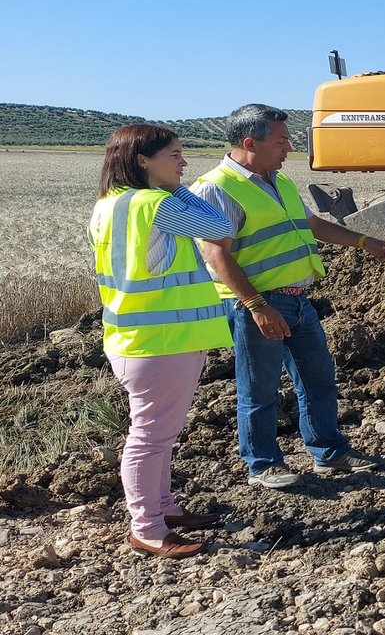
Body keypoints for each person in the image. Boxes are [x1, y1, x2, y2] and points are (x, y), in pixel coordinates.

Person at [192, 104, 385, 490]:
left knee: (319, 378)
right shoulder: (216, 187)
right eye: (282, 140)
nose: (289, 146)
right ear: (249, 142)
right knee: (259, 389)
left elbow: (312, 225)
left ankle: (329, 452)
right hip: (256, 304)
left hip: (297, 301)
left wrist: (364, 241)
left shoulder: (279, 181)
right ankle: (263, 464)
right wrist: (257, 306)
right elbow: (215, 254)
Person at [90, 125, 236, 558]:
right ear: (142, 160)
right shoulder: (155, 205)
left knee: (158, 435)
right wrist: (179, 190)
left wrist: (169, 183)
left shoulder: (109, 205)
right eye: (174, 155)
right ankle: (148, 528)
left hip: (132, 337)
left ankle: (165, 508)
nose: (183, 163)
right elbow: (220, 226)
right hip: (162, 341)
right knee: (151, 437)